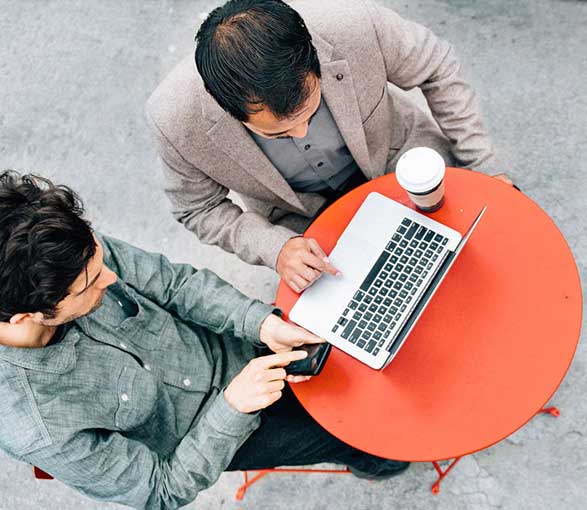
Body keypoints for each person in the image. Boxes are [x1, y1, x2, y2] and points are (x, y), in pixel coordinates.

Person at [0, 171, 409, 510]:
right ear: (26, 316)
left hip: (231, 342)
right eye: (91, 285)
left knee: (366, 356)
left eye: (101, 261)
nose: (110, 277)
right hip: (214, 437)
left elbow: (176, 285)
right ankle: (377, 461)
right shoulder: (33, 424)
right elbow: (161, 490)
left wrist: (260, 323)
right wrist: (234, 407)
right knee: (368, 439)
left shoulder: (69, 251)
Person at [147, 0, 510, 294]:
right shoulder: (174, 119)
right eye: (279, 133)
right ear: (227, 110)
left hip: (398, 159)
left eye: (310, 111)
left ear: (315, 61)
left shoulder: (355, 25)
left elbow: (437, 68)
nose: (303, 133)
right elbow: (198, 208)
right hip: (300, 219)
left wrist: (482, 165)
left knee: (475, 268)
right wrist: (275, 248)